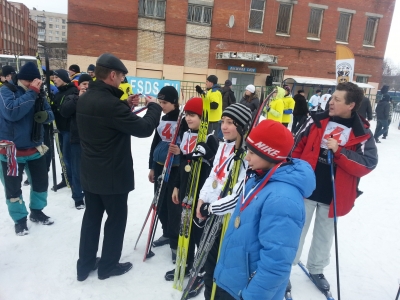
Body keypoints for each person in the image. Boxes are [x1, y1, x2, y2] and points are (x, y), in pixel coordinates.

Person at [76, 53, 162, 281]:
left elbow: (103, 119)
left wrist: (125, 105)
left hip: (90, 173)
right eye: (122, 76)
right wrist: (153, 107)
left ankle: (84, 265)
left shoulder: (85, 98)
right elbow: (144, 128)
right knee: (115, 221)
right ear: (112, 75)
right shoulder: (111, 105)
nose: (122, 81)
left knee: (92, 218)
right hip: (112, 176)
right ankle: (108, 266)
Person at [213, 120, 316, 300]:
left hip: (249, 291)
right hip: (234, 281)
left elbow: (276, 262)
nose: (246, 157)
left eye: (252, 153)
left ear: (270, 155)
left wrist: (252, 296)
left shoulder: (283, 199)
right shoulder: (259, 177)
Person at [291, 82, 378, 292]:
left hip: (334, 195)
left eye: (337, 99)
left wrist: (339, 151)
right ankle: (284, 268)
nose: (331, 102)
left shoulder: (362, 131)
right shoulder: (315, 119)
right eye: (332, 97)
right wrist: (294, 176)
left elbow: (368, 163)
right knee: (295, 230)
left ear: (351, 105)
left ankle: (316, 268)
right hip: (307, 189)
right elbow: (295, 147)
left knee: (324, 234)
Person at [196, 103, 252, 300]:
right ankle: (208, 292)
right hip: (213, 214)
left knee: (223, 263)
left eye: (230, 123)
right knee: (209, 261)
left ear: (243, 127)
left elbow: (238, 195)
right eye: (222, 122)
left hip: (229, 220)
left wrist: (212, 207)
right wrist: (202, 198)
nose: (224, 126)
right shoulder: (222, 145)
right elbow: (213, 176)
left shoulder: (247, 155)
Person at [164, 97, 218, 296]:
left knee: (197, 232)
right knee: (183, 228)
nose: (188, 118)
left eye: (192, 115)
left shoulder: (210, 136)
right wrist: (177, 186)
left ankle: (201, 270)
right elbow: (181, 163)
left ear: (202, 116)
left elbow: (210, 160)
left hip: (201, 194)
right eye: (186, 114)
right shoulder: (186, 135)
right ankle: (185, 264)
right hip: (186, 189)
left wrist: (200, 153)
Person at [0, 62, 55, 235]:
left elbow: (50, 114)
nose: (31, 84)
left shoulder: (38, 93)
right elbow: (11, 112)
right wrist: (32, 92)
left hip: (35, 148)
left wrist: (45, 116)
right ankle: (20, 220)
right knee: (13, 190)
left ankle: (37, 212)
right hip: (11, 151)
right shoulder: (6, 91)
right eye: (28, 82)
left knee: (40, 184)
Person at [147, 86, 182, 260]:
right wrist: (152, 166)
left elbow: (188, 146)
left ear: (174, 102)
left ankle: (176, 242)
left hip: (175, 169)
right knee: (159, 203)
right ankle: (167, 232)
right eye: (160, 102)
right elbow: (156, 143)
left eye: (165, 103)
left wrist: (180, 151)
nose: (162, 106)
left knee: (173, 207)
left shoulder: (183, 120)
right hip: (160, 165)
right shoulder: (162, 119)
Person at [60, 74, 93, 209]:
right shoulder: (72, 97)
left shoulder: (96, 98)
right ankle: (78, 197)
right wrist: (79, 98)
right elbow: (64, 112)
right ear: (79, 85)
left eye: (88, 84)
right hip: (77, 139)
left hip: (93, 140)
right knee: (77, 169)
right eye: (84, 83)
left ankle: (91, 193)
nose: (86, 86)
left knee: (92, 169)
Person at [51, 69, 79, 190]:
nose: (54, 80)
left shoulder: (72, 91)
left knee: (68, 157)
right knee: (62, 156)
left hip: (69, 129)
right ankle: (66, 178)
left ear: (63, 78)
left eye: (57, 78)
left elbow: (66, 111)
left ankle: (73, 182)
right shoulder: (58, 93)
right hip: (59, 129)